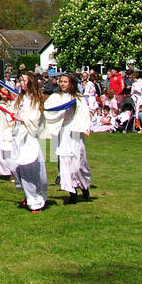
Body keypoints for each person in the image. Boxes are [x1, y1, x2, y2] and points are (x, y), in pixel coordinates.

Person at [45, 73, 91, 204]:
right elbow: (48, 108)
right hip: (64, 131)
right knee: (65, 161)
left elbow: (84, 113)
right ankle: (72, 192)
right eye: (61, 81)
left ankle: (84, 186)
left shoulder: (79, 97)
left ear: (71, 83)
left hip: (75, 132)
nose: (62, 84)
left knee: (78, 162)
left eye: (65, 82)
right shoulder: (56, 97)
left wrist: (85, 127)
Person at [7, 71, 47, 213]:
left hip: (28, 137)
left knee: (29, 169)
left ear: (30, 82)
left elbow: (35, 118)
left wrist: (22, 118)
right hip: (17, 136)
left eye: (24, 80)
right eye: (20, 80)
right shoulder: (20, 97)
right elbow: (12, 110)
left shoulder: (36, 100)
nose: (21, 83)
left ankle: (35, 201)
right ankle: (29, 193)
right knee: (15, 167)